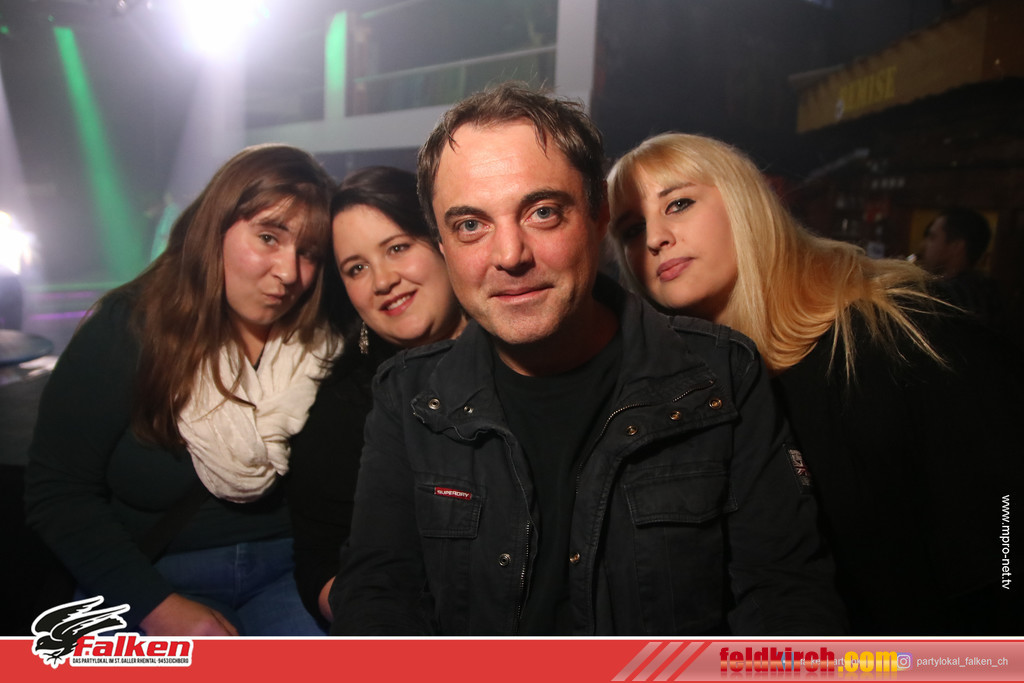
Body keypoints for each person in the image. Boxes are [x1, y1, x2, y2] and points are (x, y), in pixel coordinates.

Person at [329, 83, 845, 636]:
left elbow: (787, 603)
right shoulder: (408, 397)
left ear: (599, 217)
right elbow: (379, 595)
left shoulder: (720, 375)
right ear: (443, 246)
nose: (510, 255)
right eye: (471, 226)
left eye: (543, 212)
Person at [606, 132, 1024, 634]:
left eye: (678, 203)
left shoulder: (902, 334)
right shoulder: (683, 394)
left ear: (745, 202)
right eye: (632, 229)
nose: (655, 238)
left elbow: (1002, 543)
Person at [25, 144, 339, 636]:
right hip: (147, 575)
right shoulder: (130, 329)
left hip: (290, 573)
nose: (288, 272)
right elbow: (57, 492)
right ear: (216, 226)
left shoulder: (326, 342)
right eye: (268, 237)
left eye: (309, 253)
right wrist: (155, 607)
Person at [288, 166, 466, 627]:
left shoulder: (527, 356)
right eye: (357, 268)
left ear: (443, 242)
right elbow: (320, 564)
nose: (382, 281)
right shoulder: (342, 407)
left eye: (397, 248)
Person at [917, 207, 1007, 333]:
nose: (923, 245)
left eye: (932, 237)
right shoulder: (989, 292)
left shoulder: (945, 297)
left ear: (956, 246)